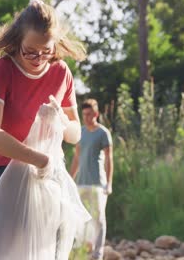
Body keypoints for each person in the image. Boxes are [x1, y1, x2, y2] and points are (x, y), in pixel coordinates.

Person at [0, 0, 86, 211]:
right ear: (18, 40)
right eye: (30, 52)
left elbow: (75, 135)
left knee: (45, 245)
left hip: (47, 178)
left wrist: (63, 120)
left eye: (47, 52)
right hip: (2, 171)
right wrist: (41, 160)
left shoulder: (61, 71)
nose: (38, 58)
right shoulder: (0, 70)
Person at [70, 98, 114, 260]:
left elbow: (109, 159)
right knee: (80, 219)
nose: (86, 117)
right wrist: (69, 180)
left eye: (89, 114)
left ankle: (98, 254)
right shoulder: (80, 132)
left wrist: (109, 183)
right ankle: (81, 254)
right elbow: (76, 158)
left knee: (99, 219)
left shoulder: (103, 133)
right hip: (80, 183)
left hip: (98, 184)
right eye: (84, 115)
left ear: (96, 114)